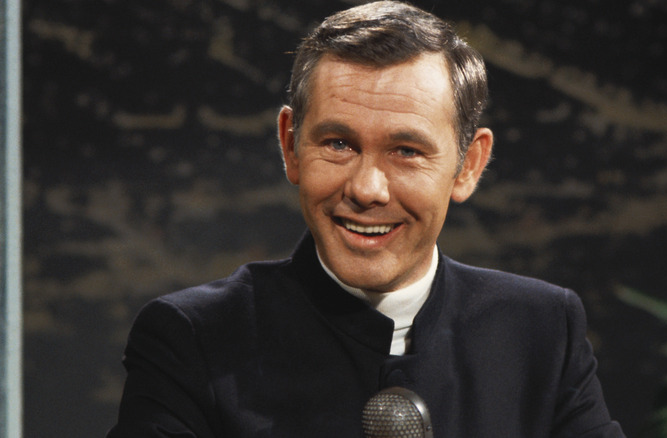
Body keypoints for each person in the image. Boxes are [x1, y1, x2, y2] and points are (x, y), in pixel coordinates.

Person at [107, 2, 625, 437]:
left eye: (405, 150)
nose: (366, 189)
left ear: (468, 165)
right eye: (338, 144)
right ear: (290, 145)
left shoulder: (541, 330)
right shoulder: (193, 339)